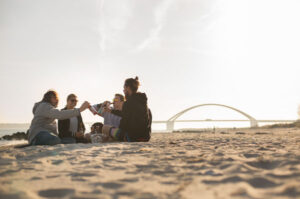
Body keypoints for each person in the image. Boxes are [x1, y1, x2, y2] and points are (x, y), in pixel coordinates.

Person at [102, 77, 152, 142]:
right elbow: (127, 114)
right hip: (145, 137)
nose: (124, 91)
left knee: (105, 128)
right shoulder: (143, 102)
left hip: (132, 138)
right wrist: (111, 111)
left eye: (124, 88)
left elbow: (123, 124)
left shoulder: (128, 103)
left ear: (128, 88)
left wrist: (117, 132)